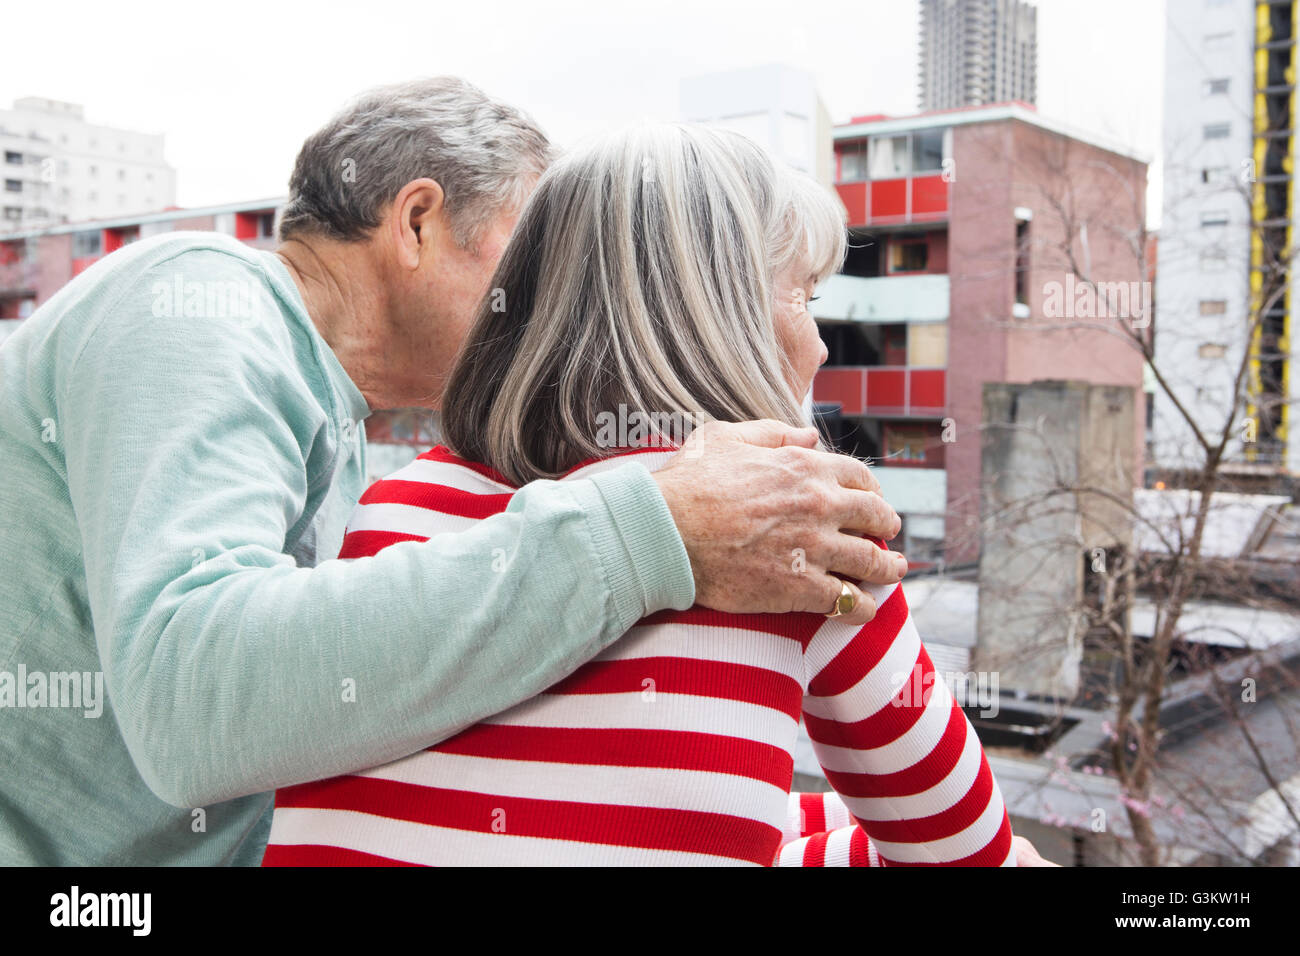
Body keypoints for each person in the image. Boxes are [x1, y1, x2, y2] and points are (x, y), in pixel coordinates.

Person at [0, 79, 909, 867]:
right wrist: (651, 529)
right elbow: (192, 703)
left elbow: (377, 728)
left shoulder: (330, 419)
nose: (557, 305)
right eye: (530, 263)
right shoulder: (197, 307)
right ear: (418, 222)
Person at [262, 124, 1016, 866]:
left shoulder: (400, 502)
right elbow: (963, 851)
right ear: (724, 317)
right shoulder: (799, 531)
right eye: (805, 297)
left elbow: (576, 809)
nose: (819, 345)